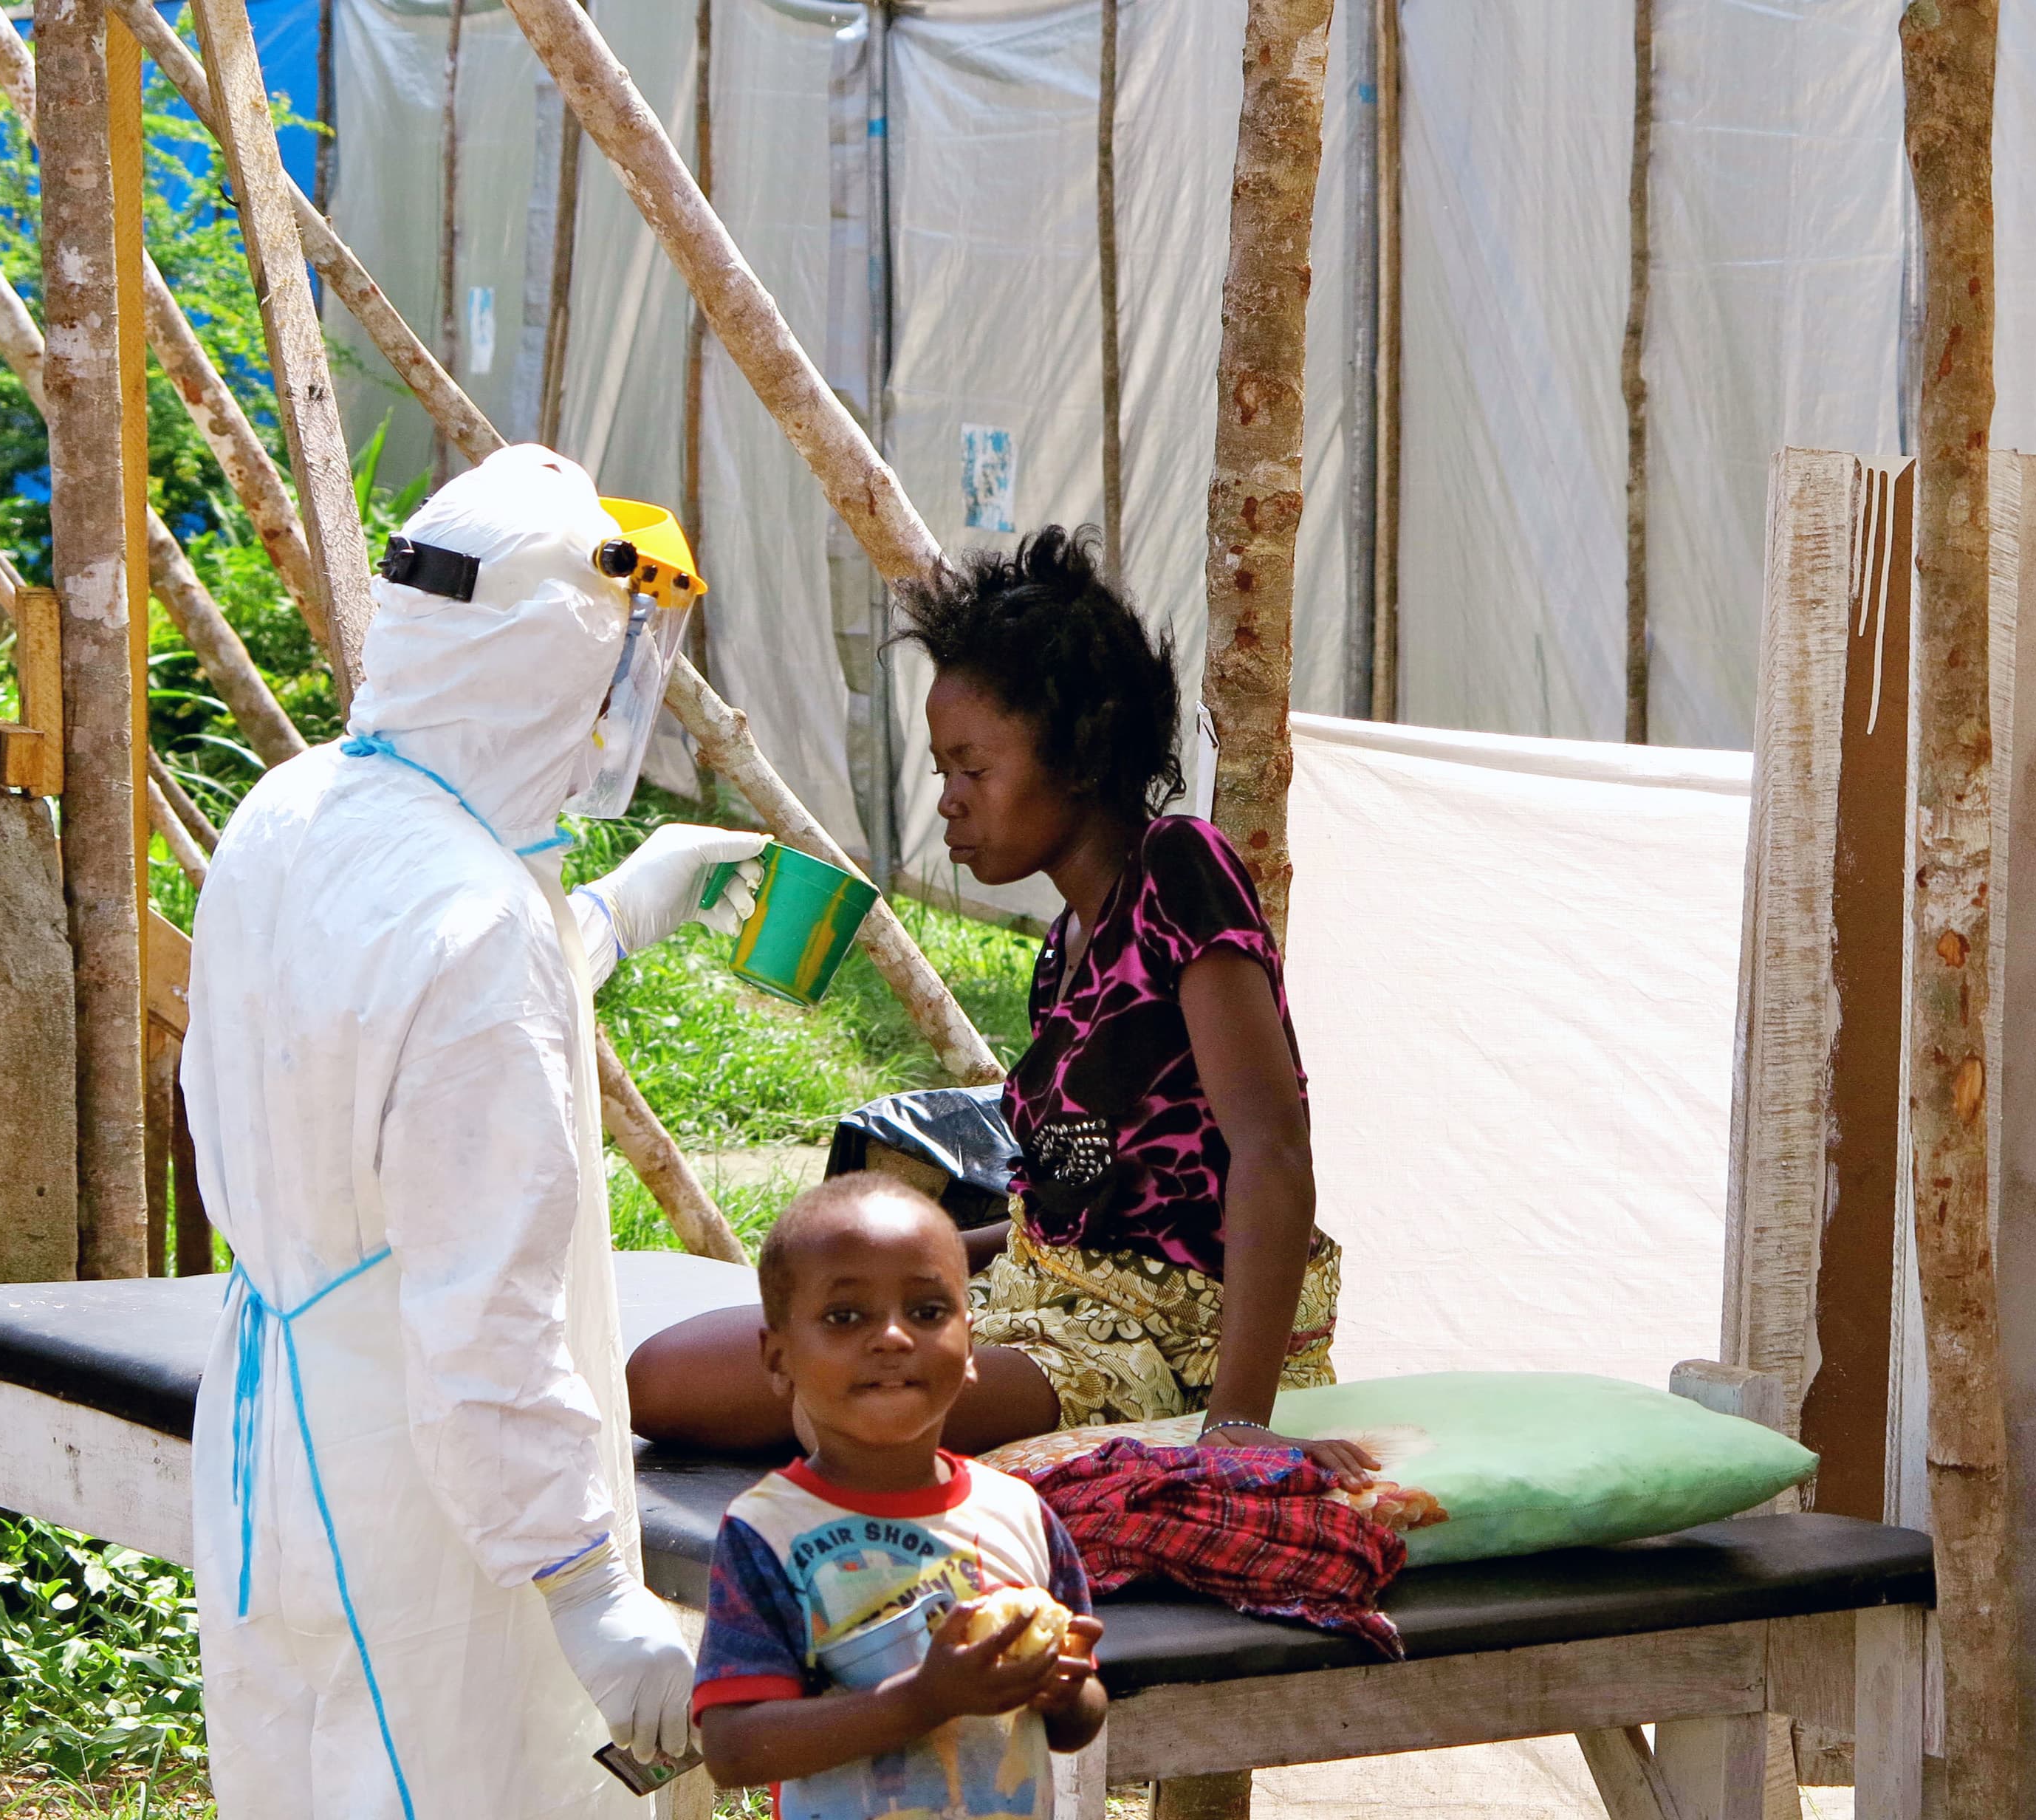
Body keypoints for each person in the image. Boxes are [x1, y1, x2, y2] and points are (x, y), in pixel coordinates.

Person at [184, 445, 772, 1818]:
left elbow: (369, 1025)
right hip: (425, 1491)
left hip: (275, 1427)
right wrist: (588, 1589)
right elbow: (484, 1313)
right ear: (545, 669)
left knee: (298, 1768)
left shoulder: (297, 806)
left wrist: (612, 913)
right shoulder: (478, 931)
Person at [629, 527, 1376, 1482]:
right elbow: (1071, 1200)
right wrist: (907, 1267)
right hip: (1037, 1299)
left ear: (1079, 752)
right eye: (944, 772)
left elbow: (1272, 1151)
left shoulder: (1180, 873)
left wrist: (1233, 1428)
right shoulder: (1064, 950)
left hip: (1165, 1353)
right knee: (675, 1372)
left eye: (972, 770)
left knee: (802, 1399)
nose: (949, 801)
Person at [692, 1174, 1107, 1812]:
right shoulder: (769, 1533)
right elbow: (734, 1748)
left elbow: (1078, 1723)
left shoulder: (1019, 1512)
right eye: (845, 1316)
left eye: (928, 1312)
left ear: (971, 1346)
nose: (892, 1336)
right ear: (779, 1359)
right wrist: (923, 1700)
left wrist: (1064, 1691)